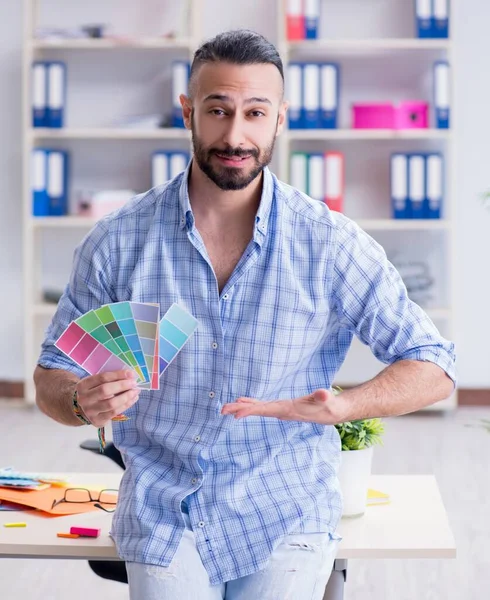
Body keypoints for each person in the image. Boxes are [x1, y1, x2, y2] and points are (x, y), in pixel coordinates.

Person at [34, 29, 456, 600]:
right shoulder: (118, 241)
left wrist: (346, 405)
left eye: (255, 112)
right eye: (218, 110)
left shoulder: (328, 242)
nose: (235, 135)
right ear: (188, 112)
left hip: (286, 504)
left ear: (279, 118)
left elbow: (433, 364)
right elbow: (51, 376)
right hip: (164, 507)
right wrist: (80, 400)